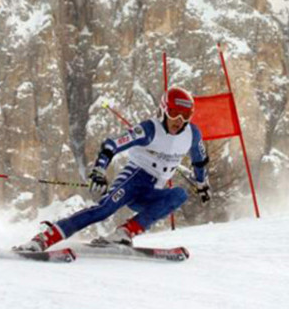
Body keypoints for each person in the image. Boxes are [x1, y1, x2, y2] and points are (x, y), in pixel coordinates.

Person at [15, 87, 211, 252]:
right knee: (104, 210)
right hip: (134, 180)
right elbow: (111, 145)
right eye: (174, 113)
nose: (179, 120)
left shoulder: (192, 134)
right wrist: (99, 171)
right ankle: (45, 238)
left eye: (185, 115)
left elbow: (199, 160)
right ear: (163, 110)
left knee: (179, 195)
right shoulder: (149, 130)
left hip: (152, 191)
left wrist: (202, 183)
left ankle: (124, 233)